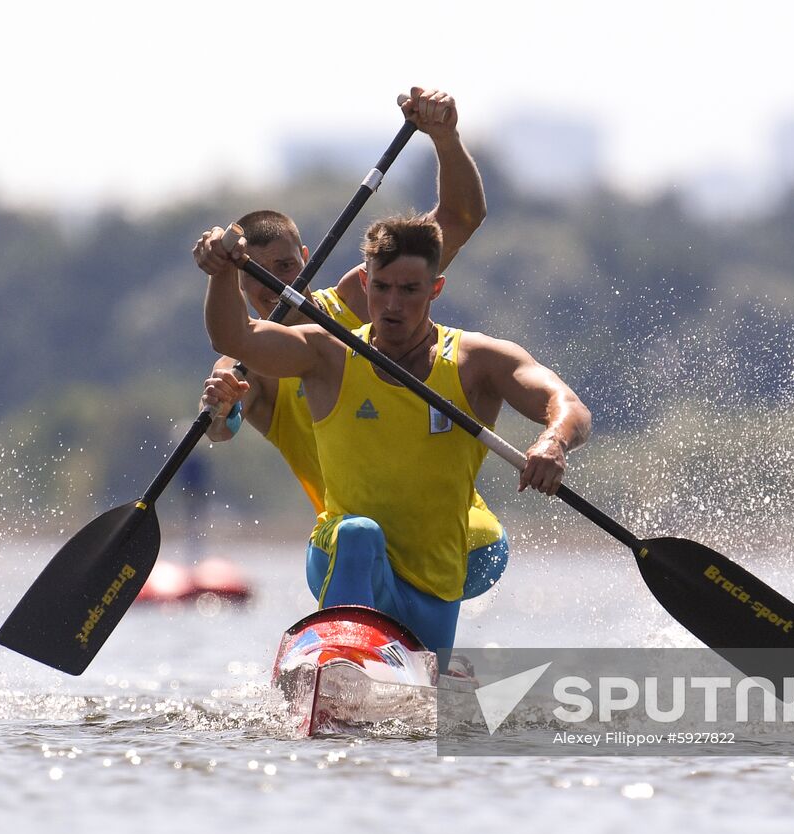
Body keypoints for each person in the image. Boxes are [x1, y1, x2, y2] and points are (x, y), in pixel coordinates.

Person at [196, 214, 591, 651]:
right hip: (344, 555)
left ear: (435, 289)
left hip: (435, 578)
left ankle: (388, 665)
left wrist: (553, 441)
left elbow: (567, 404)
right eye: (382, 288)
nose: (393, 305)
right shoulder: (327, 353)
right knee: (357, 533)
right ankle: (341, 656)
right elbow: (234, 336)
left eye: (409, 290)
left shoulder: (476, 361)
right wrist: (223, 270)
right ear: (364, 284)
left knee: (426, 699)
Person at [197, 87, 509, 600]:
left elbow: (460, 218)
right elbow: (219, 428)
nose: (272, 284)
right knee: (360, 541)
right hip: (351, 547)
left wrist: (446, 139)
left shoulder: (364, 295)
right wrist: (219, 409)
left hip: (463, 544)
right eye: (254, 279)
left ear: (304, 255)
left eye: (284, 268)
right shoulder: (248, 363)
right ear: (239, 288)